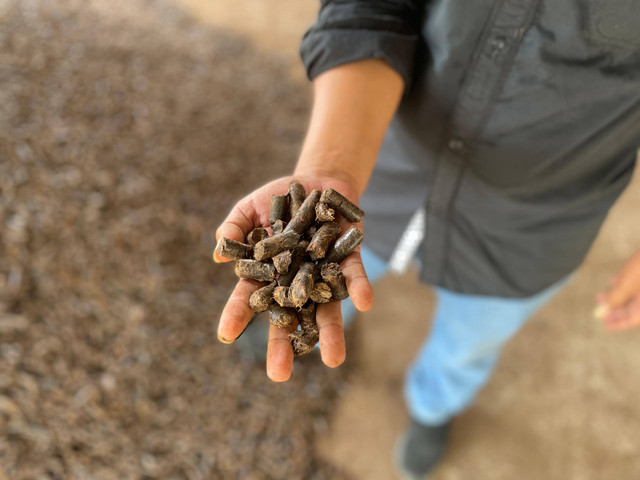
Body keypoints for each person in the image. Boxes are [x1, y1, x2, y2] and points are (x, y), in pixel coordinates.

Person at [214, 1, 640, 478]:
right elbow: (368, 9)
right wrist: (330, 167)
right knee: (344, 275)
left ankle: (433, 407)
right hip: (381, 166)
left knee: (469, 342)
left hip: (536, 227)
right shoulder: (331, 215)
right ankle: (308, 332)